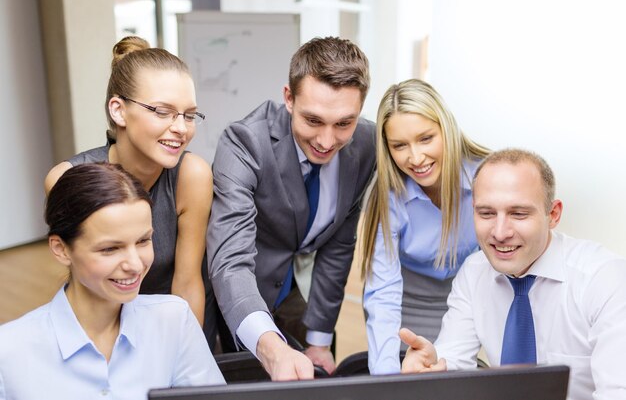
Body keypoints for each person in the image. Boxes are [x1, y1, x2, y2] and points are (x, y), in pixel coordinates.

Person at [207, 36, 376, 380]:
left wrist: (318, 340)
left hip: (303, 289)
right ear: (288, 98)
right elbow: (230, 260)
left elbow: (339, 245)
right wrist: (270, 347)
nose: (327, 141)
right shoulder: (244, 143)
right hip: (242, 288)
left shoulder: (367, 144)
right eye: (313, 120)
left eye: (344, 123)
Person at [400, 149, 626, 400]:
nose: (499, 232)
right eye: (486, 213)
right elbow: (454, 360)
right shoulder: (474, 272)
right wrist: (434, 369)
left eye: (518, 214)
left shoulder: (604, 279)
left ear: (553, 214)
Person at [43, 36, 217, 348]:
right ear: (119, 111)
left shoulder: (192, 175)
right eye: (162, 111)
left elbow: (188, 282)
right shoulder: (68, 179)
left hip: (171, 326)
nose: (181, 128)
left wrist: (180, 359)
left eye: (189, 115)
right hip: (99, 326)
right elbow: (86, 288)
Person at [0, 163, 225, 399]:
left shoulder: (174, 320)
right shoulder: (9, 352)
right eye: (110, 249)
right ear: (61, 249)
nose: (135, 265)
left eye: (143, 241)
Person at [357, 79, 489, 374]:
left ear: (446, 128)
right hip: (406, 309)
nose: (415, 158)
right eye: (400, 146)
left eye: (426, 138)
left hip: (467, 305)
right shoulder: (387, 196)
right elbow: (383, 292)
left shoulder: (486, 176)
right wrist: (387, 380)